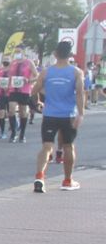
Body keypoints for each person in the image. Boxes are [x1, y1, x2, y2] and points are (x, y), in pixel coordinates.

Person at [32, 40, 85, 193]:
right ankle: (67, 180)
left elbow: (34, 90)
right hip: (68, 114)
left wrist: (39, 102)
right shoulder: (76, 72)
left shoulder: (46, 72)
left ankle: (40, 177)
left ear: (55, 54)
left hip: (49, 114)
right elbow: (80, 94)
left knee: (47, 146)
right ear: (70, 55)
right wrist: (80, 114)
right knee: (68, 146)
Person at [8, 49, 37, 143]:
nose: (17, 53)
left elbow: (36, 76)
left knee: (22, 112)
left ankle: (22, 134)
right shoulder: (13, 63)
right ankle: (13, 133)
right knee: (11, 110)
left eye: (18, 51)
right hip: (13, 90)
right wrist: (7, 86)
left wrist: (28, 80)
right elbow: (9, 76)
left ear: (23, 52)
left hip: (24, 90)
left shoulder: (29, 63)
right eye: (15, 52)